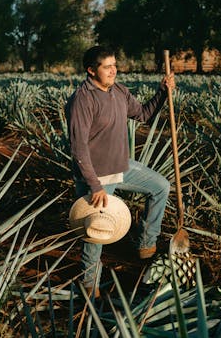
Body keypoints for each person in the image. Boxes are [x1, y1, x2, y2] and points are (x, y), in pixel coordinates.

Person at [65, 45, 176, 298]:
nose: (113, 70)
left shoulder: (118, 91)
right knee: (96, 233)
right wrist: (95, 186)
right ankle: (89, 285)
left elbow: (144, 115)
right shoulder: (82, 99)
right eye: (107, 66)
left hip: (121, 166)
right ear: (91, 70)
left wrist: (163, 92)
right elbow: (78, 147)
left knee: (160, 186)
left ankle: (146, 244)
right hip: (97, 176)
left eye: (115, 64)